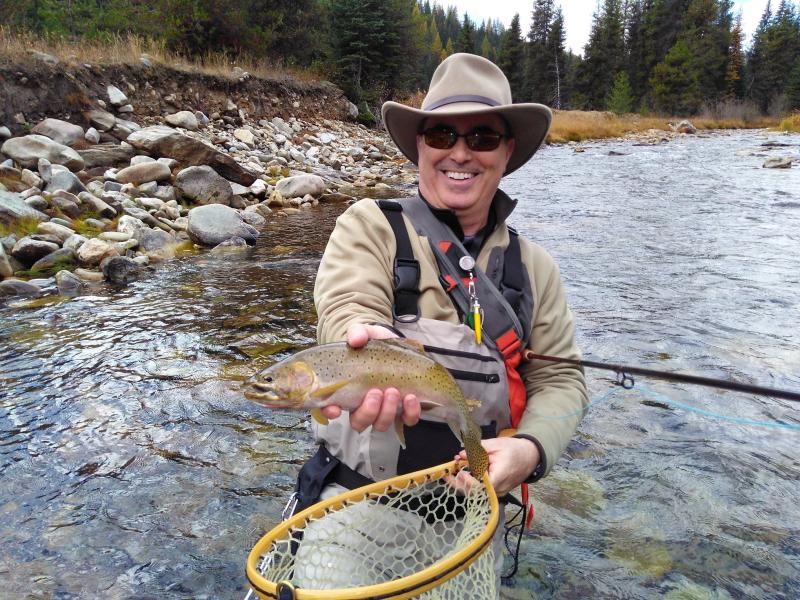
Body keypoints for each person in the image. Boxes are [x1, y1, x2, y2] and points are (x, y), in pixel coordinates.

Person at [292, 53, 588, 592]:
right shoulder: (370, 226)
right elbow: (344, 305)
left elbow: (562, 380)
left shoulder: (537, 268)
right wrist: (365, 337)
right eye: (441, 134)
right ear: (420, 146)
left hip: (476, 515)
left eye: (481, 137)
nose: (459, 152)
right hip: (359, 504)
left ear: (507, 151)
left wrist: (530, 452)